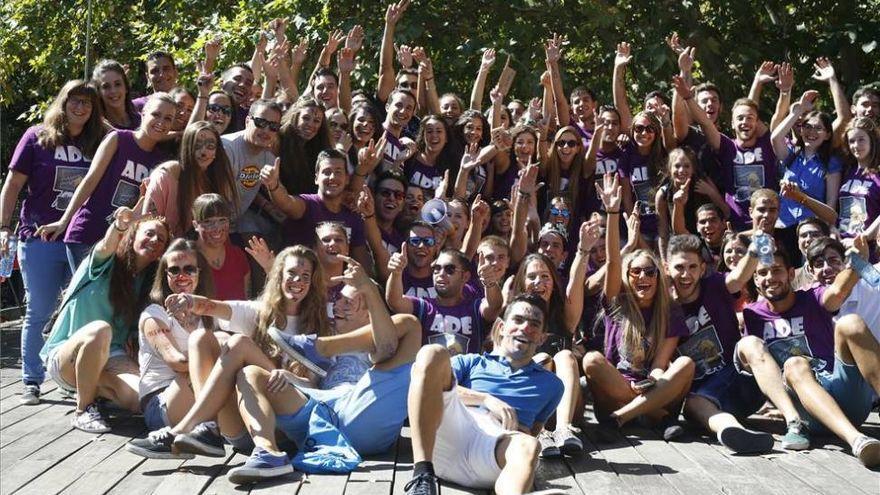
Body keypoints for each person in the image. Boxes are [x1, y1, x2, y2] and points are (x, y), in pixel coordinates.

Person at [0, 80, 105, 405]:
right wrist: (4, 228)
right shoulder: (36, 137)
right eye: (74, 101)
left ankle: (72, 376)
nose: (80, 108)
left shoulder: (99, 141)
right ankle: (32, 379)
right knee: (40, 309)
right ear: (63, 102)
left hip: (82, 238)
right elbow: (13, 185)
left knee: (79, 310)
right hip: (39, 236)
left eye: (87, 103)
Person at [404, 294, 564, 494]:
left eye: (534, 324)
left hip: (491, 454)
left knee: (529, 445)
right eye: (518, 320)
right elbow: (426, 382)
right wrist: (486, 399)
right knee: (432, 353)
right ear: (502, 327)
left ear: (542, 338)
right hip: (449, 435)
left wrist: (523, 432)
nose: (525, 328)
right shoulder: (471, 362)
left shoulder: (552, 386)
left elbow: (533, 431)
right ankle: (422, 476)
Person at [665, 234, 810, 453]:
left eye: (692, 267)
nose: (686, 275)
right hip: (708, 396)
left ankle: (794, 423)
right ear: (667, 268)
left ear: (703, 269)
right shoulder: (664, 308)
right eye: (679, 267)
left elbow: (739, 277)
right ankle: (731, 431)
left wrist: (754, 250)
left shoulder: (714, 286)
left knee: (750, 343)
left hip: (742, 380)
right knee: (692, 404)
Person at [743, 244, 880, 466]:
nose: (770, 277)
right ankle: (857, 441)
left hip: (844, 394)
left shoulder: (812, 297)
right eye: (762, 273)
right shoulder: (752, 315)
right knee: (794, 363)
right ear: (755, 280)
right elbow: (758, 363)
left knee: (850, 323)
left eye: (776, 270)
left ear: (790, 273)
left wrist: (858, 260)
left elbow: (836, 292)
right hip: (805, 411)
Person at [582, 174, 695, 440]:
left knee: (686, 363)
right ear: (627, 276)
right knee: (591, 360)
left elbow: (659, 363)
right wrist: (612, 213)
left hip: (653, 390)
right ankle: (657, 417)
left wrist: (654, 380)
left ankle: (622, 418)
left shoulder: (669, 313)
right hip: (616, 392)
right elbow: (611, 263)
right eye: (635, 272)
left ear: (658, 276)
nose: (642, 277)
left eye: (649, 272)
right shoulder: (617, 303)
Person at [40, 205, 169, 432]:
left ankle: (91, 385)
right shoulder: (103, 262)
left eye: (161, 239)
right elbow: (107, 244)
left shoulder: (147, 283)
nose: (154, 240)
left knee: (140, 399)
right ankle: (84, 409)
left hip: (113, 355)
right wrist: (119, 225)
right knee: (100, 329)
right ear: (132, 235)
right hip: (67, 354)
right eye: (149, 233)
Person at [35, 93, 176, 271]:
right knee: (86, 296)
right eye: (156, 114)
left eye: (168, 118)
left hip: (120, 241)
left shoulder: (162, 161)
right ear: (144, 112)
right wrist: (64, 221)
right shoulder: (118, 139)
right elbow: (90, 180)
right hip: (87, 233)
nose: (161, 122)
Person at [137, 239, 215, 433]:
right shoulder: (154, 314)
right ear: (166, 275)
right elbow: (176, 361)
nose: (181, 276)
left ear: (199, 273)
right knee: (220, 369)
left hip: (199, 396)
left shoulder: (208, 315)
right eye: (174, 270)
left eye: (189, 269)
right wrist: (222, 367)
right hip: (161, 403)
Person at [262, 149, 373, 269]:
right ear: (316, 178)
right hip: (302, 283)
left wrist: (369, 284)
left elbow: (361, 263)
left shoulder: (353, 216)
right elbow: (286, 203)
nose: (332, 177)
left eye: (338, 172)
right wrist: (273, 185)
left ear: (347, 179)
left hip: (339, 284)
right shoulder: (307, 204)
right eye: (326, 172)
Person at [387, 248, 502, 355]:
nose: (441, 274)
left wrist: (490, 282)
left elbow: (494, 306)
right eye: (436, 269)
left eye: (449, 269)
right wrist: (396, 274)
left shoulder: (475, 308)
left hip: (466, 376)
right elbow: (395, 302)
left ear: (465, 277)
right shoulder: (424, 307)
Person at [771, 90, 842, 260]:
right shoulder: (792, 155)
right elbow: (775, 138)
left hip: (811, 232)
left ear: (827, 135)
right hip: (783, 228)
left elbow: (830, 206)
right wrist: (799, 110)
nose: (812, 132)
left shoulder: (831, 163)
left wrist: (830, 227)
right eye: (807, 127)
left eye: (818, 128)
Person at [143, 121, 239, 237]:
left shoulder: (216, 180)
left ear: (216, 152)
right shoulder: (167, 174)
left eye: (210, 146)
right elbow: (147, 222)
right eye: (197, 145)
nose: (203, 152)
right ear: (186, 147)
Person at [191, 194, 251, 300]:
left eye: (222, 220)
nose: (217, 228)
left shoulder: (238, 255)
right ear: (195, 225)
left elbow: (245, 301)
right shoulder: (186, 259)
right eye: (208, 222)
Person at [838, 117, 880, 240]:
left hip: (870, 249)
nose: (856, 145)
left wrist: (864, 237)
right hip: (843, 245)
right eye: (851, 141)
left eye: (861, 139)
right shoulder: (846, 171)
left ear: (872, 140)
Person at [91, 59, 142, 130]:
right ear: (99, 92)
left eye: (117, 84)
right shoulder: (97, 129)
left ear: (126, 87)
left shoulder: (142, 121)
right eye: (106, 86)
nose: (113, 91)